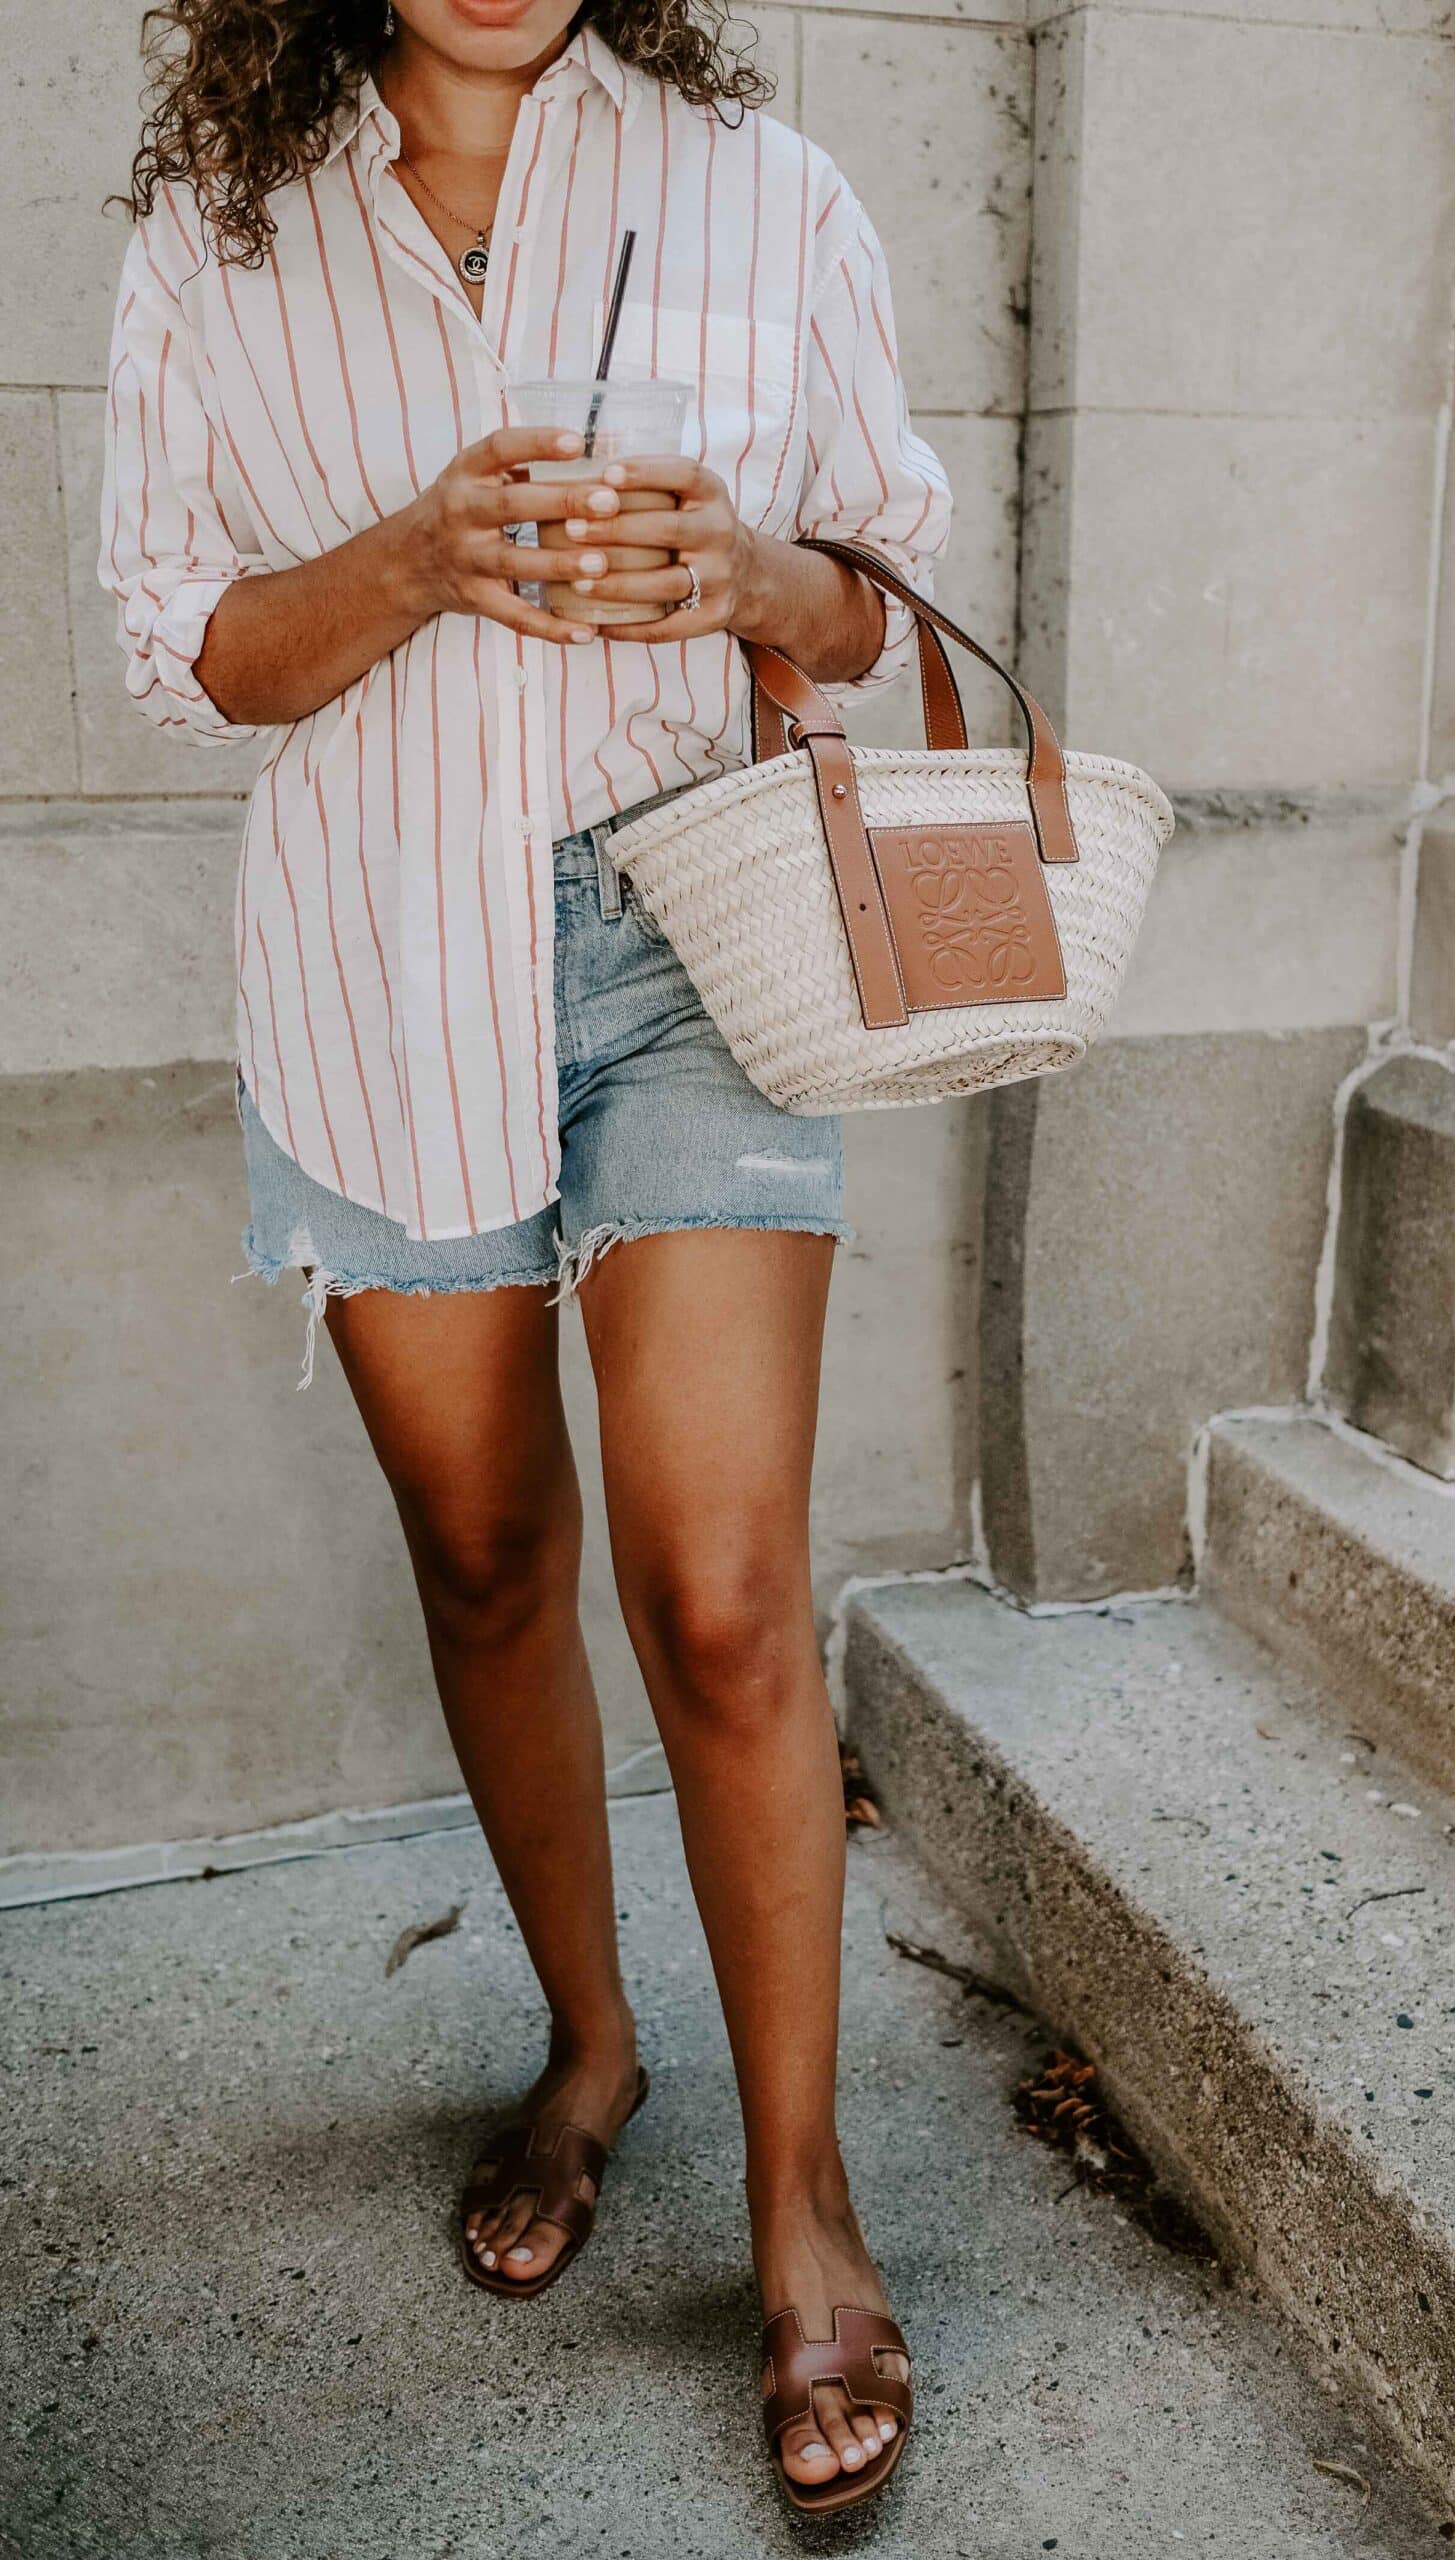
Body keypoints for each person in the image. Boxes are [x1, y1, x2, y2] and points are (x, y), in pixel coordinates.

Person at [102, 0, 949, 2514]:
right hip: (381, 953)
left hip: (694, 937)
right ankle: (592, 2046)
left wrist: (759, 572)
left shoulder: (757, 187)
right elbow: (180, 646)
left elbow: (876, 592)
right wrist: (407, 561)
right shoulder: (218, 231)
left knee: (718, 1588)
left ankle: (806, 2216)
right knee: (485, 1547)